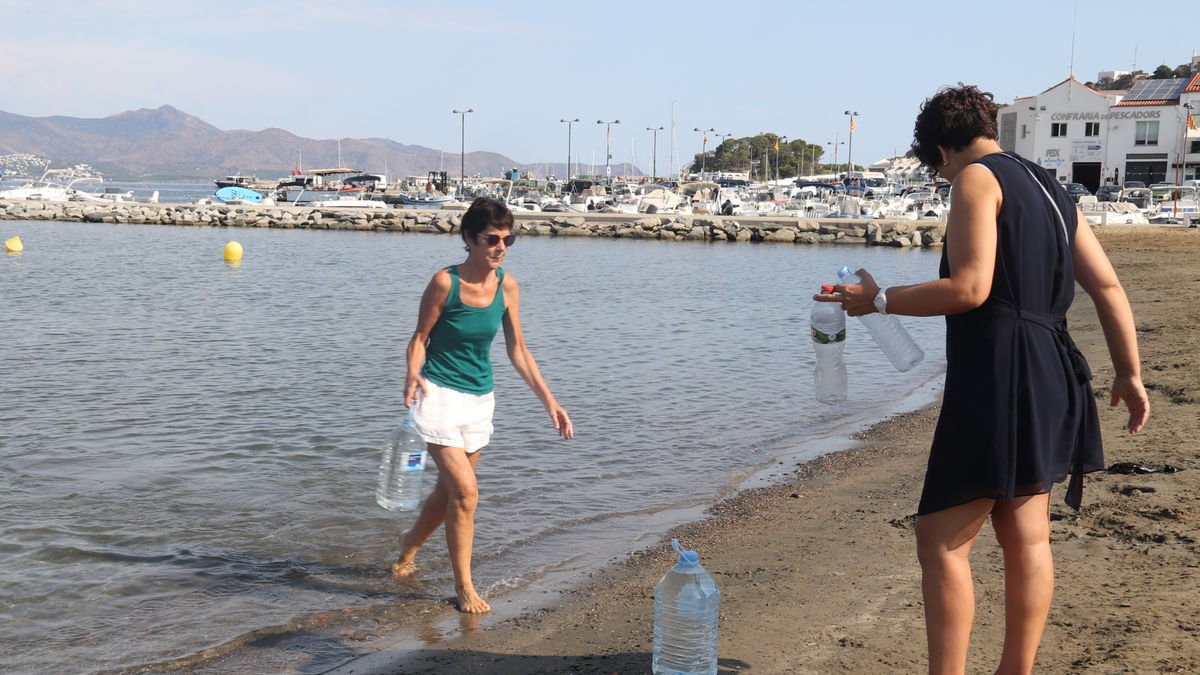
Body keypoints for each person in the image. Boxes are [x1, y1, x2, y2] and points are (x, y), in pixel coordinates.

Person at [817, 84, 1150, 674]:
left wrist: (880, 299)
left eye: (938, 170)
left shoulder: (975, 178)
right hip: (1052, 367)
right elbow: (1107, 285)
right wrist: (1129, 371)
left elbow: (970, 288)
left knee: (940, 539)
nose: (944, 180)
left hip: (1001, 372)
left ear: (942, 151)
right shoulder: (1051, 187)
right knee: (1027, 536)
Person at [393, 197, 574, 614]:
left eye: (508, 239)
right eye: (492, 239)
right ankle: (464, 587)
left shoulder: (507, 286)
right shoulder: (445, 283)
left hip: (479, 400)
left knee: (449, 492)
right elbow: (419, 339)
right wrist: (412, 373)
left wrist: (550, 401)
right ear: (469, 238)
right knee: (466, 492)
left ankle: (408, 545)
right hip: (437, 395)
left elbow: (518, 350)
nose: (501, 247)